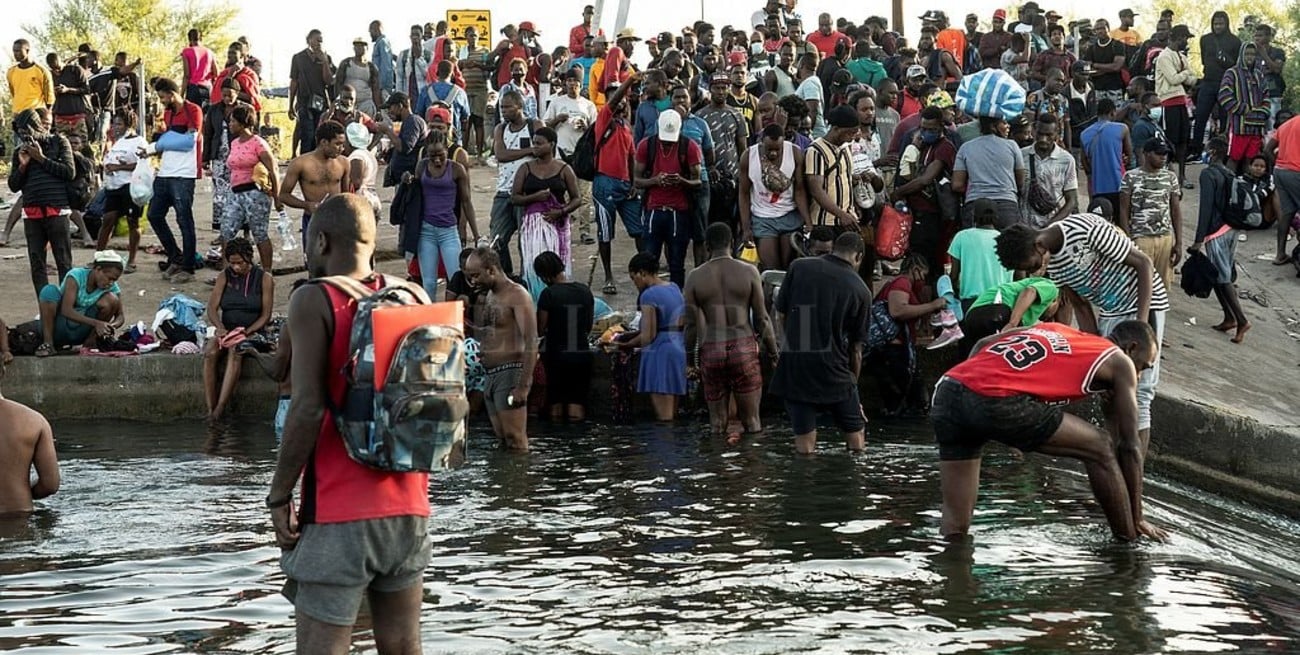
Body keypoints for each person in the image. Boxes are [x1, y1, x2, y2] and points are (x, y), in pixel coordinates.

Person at [268, 194, 432, 651]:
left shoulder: (314, 299)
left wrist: (279, 495)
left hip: (339, 511)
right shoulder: (414, 294)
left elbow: (306, 408)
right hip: (409, 509)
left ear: (320, 240)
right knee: (403, 645)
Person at [932, 320, 1168, 542]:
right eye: (1143, 367)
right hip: (995, 400)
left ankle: (952, 574)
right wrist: (1137, 517)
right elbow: (1129, 446)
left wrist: (975, 402)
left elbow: (983, 344)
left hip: (949, 391)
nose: (1138, 376)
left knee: (955, 524)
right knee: (1100, 445)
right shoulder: (1120, 361)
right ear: (1132, 348)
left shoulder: (1057, 329)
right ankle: (1128, 551)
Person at [996, 214, 1170, 449]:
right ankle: (1116, 460)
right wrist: (1094, 350)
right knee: (1107, 389)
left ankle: (1134, 469)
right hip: (1111, 311)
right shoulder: (1055, 265)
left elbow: (1144, 264)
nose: (1036, 271)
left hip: (1144, 304)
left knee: (1140, 392)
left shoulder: (1084, 229)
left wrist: (1142, 324)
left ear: (1038, 246)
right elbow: (1081, 306)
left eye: (1033, 265)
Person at [770, 231, 870, 453]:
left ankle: (805, 483)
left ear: (834, 248)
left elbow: (781, 314)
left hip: (796, 368)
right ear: (859, 257)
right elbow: (856, 350)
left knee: (804, 443)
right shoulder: (861, 290)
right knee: (856, 437)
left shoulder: (799, 267)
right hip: (835, 372)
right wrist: (852, 384)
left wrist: (788, 346)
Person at [683, 223, 778, 439]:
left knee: (717, 424)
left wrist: (689, 361)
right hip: (743, 347)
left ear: (707, 247)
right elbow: (762, 319)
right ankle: (752, 470)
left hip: (712, 350)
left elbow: (690, 326)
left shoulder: (695, 278)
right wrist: (773, 353)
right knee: (752, 421)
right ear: (732, 244)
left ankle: (718, 470)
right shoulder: (749, 272)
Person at [463, 247, 537, 451]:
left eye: (476, 276)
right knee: (503, 440)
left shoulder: (517, 295)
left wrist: (523, 386)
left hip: (510, 373)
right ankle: (508, 481)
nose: (473, 282)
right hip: (491, 375)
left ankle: (522, 480)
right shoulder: (490, 295)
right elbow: (496, 330)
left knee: (516, 439)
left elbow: (531, 341)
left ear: (492, 270)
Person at [1189, 137, 1252, 343]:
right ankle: (1229, 316)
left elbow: (1205, 208)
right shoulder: (1229, 172)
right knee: (1217, 273)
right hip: (1231, 228)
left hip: (1216, 231)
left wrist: (1199, 239)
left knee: (1222, 277)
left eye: (1207, 149)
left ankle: (1241, 320)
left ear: (1214, 152)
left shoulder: (1208, 174)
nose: (1205, 152)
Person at [203, 238, 274, 420]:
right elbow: (212, 308)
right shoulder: (224, 276)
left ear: (249, 259)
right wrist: (219, 328)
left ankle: (220, 408)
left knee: (236, 351)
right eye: (232, 263)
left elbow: (266, 316)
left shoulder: (264, 279)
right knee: (210, 353)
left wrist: (246, 332)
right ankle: (210, 408)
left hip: (252, 331)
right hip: (226, 330)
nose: (236, 268)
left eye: (240, 263)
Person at [140, 78, 203, 283]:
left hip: (183, 175)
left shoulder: (193, 110)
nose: (161, 101)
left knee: (184, 220)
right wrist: (151, 149)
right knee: (154, 215)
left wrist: (161, 144)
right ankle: (175, 256)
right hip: (165, 173)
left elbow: (189, 141)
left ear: (171, 93)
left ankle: (188, 266)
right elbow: (167, 142)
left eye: (162, 96)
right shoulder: (167, 114)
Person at [8, 107, 75, 297]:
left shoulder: (59, 142)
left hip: (57, 211)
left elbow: (69, 172)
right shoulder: (19, 152)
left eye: (26, 130)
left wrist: (41, 159)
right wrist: (23, 166)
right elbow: (13, 186)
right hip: (32, 213)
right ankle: (46, 306)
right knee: (37, 264)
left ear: (36, 126)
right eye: (20, 132)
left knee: (63, 262)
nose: (24, 135)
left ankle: (66, 308)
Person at [511, 127, 583, 302]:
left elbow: (577, 198)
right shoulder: (525, 168)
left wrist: (561, 211)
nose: (534, 147)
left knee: (556, 265)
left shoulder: (564, 168)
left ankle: (558, 301)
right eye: (533, 143)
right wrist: (535, 197)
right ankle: (537, 302)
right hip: (532, 225)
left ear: (551, 145)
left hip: (556, 224)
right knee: (534, 265)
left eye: (539, 143)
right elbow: (514, 198)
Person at [635, 110, 703, 289]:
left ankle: (676, 303)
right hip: (654, 209)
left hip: (678, 211)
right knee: (649, 261)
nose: (666, 143)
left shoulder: (689, 147)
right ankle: (647, 302)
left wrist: (682, 181)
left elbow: (698, 181)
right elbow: (636, 180)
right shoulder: (646, 146)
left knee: (677, 263)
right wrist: (655, 180)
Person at [616, 253, 687, 421]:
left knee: (664, 420)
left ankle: (661, 447)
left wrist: (626, 345)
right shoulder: (674, 287)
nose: (635, 284)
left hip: (660, 354)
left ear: (642, 273)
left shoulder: (648, 295)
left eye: (634, 279)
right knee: (674, 417)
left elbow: (648, 335)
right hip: (678, 349)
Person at [890, 106, 956, 281]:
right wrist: (914, 147)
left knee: (928, 262)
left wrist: (899, 192)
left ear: (942, 127)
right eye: (923, 128)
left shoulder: (944, 148)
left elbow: (925, 179)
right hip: (917, 210)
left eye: (931, 129)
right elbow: (908, 174)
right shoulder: (924, 147)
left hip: (931, 214)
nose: (926, 133)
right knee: (916, 257)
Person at [592, 80, 641, 295]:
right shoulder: (604, 118)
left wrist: (633, 182)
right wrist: (628, 81)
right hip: (605, 183)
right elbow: (614, 100)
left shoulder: (626, 125)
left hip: (624, 184)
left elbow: (631, 156)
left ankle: (643, 271)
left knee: (638, 230)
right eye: (616, 97)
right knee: (605, 234)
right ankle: (608, 276)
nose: (620, 101)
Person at [534, 251, 595, 421]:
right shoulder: (584, 291)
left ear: (544, 276)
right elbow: (588, 326)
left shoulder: (548, 294)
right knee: (577, 402)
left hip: (555, 356)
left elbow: (540, 328)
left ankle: (559, 442)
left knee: (555, 403)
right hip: (581, 353)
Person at [739, 124, 809, 271]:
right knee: (771, 269)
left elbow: (800, 190)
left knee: (788, 267)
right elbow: (744, 194)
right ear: (761, 142)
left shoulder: (795, 153)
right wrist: (746, 228)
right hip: (762, 218)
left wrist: (807, 221)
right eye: (769, 149)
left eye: (777, 149)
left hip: (789, 215)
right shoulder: (748, 156)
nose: (773, 153)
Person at [490, 91, 545, 276]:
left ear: (520, 107)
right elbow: (501, 155)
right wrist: (529, 150)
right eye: (502, 107)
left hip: (527, 193)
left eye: (507, 107)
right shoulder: (501, 129)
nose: (503, 111)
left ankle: (526, 280)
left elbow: (544, 150)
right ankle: (507, 278)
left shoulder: (534, 125)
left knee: (526, 242)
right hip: (504, 191)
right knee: (496, 240)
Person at [1119, 139, 1183, 292]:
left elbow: (1175, 210)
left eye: (1165, 155)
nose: (1163, 158)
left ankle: (1156, 316)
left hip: (1165, 238)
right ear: (1146, 154)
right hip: (1140, 239)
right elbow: (1123, 211)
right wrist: (1128, 241)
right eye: (1159, 154)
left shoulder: (1170, 178)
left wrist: (1179, 242)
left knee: (1160, 289)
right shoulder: (1130, 177)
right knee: (1139, 287)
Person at [222, 104, 280, 271]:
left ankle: (266, 272)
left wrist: (276, 196)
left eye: (233, 121)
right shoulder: (234, 143)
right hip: (235, 193)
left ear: (242, 123)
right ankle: (227, 273)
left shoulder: (258, 143)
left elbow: (273, 168)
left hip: (255, 194)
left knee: (259, 233)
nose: (230, 124)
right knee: (226, 231)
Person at [36, 250, 124, 357]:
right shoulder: (76, 276)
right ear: (98, 269)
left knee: (112, 299)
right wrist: (96, 323)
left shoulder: (112, 287)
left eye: (114, 280)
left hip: (83, 331)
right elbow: (66, 310)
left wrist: (110, 326)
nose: (111, 283)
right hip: (60, 326)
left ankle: (90, 343)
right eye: (109, 278)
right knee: (49, 291)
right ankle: (48, 343)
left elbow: (120, 316)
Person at [0, 361, 59, 514]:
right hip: (18, 517)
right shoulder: (34, 420)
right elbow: (50, 485)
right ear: (3, 371)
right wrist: (19, 491)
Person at [278, 120, 349, 249]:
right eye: (337, 144)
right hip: (314, 220)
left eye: (343, 144)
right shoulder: (300, 164)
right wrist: (307, 205)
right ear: (323, 142)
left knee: (339, 264)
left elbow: (347, 194)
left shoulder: (343, 163)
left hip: (337, 220)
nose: (341, 148)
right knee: (315, 263)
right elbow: (283, 195)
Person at [94, 109, 147, 271]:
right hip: (113, 187)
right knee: (108, 220)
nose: (115, 127)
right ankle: (99, 257)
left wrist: (119, 167)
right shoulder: (116, 142)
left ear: (129, 125)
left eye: (119, 124)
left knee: (133, 222)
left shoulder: (139, 142)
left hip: (130, 187)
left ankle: (131, 260)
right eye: (114, 123)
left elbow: (142, 164)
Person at [958, 276, 1061, 358]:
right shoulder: (1052, 287)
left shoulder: (1020, 289)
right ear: (1057, 301)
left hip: (973, 317)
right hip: (996, 310)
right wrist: (1012, 323)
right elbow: (1029, 291)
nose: (1048, 317)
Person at [953, 115, 1026, 229]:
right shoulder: (1012, 146)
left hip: (975, 205)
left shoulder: (966, 148)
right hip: (1006, 207)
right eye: (1004, 123)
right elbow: (1021, 182)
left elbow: (957, 185)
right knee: (1008, 245)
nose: (1008, 126)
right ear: (993, 126)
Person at [948, 199, 1013, 309]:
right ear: (997, 217)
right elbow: (1018, 277)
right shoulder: (1007, 241)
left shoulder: (961, 237)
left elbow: (954, 275)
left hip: (971, 303)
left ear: (973, 215)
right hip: (1001, 301)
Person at [1153, 25, 1197, 186]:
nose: (1186, 41)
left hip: (1181, 101)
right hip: (1168, 101)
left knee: (1183, 140)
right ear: (1177, 38)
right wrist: (1185, 74)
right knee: (1170, 140)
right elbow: (1174, 79)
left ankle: (1181, 176)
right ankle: (1167, 174)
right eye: (1184, 38)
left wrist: (1185, 75)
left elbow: (1192, 79)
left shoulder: (1181, 56)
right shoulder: (1164, 56)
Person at [203, 78, 248, 234]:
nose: (227, 98)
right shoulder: (213, 110)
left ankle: (244, 232)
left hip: (240, 157)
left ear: (237, 93)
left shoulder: (245, 109)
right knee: (220, 196)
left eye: (230, 95)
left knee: (240, 192)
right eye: (224, 95)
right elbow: (208, 134)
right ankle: (223, 232)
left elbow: (252, 134)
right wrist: (205, 159)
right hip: (219, 159)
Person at [804, 105, 858, 234]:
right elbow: (816, 190)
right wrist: (841, 214)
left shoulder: (845, 148)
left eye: (855, 132)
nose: (852, 137)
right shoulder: (816, 151)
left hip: (847, 219)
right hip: (825, 222)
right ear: (836, 129)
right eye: (850, 133)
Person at [1194, 12, 1241, 159]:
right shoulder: (1206, 39)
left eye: (1221, 24)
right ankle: (1196, 149)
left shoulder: (1235, 41)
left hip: (1225, 84)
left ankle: (1222, 150)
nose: (1218, 27)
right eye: (1215, 24)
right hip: (1208, 82)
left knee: (1224, 119)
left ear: (1226, 24)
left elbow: (1236, 64)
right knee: (1201, 116)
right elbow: (1203, 60)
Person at [1218, 43, 1269, 174]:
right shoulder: (1232, 73)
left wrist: (1263, 111)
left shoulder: (1259, 75)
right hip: (1239, 125)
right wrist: (1244, 109)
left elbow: (1266, 96)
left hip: (1257, 126)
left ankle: (1248, 190)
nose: (1250, 57)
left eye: (1252, 54)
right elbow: (1224, 96)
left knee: (1250, 160)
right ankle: (1229, 188)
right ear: (1241, 55)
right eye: (1247, 54)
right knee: (1234, 159)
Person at [1022, 113, 1079, 227]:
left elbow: (1072, 200)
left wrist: (1050, 225)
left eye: (1049, 135)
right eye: (1040, 134)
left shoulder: (1067, 160)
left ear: (1057, 134)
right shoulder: (1021, 155)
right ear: (1034, 131)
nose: (1043, 139)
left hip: (1054, 228)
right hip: (1025, 225)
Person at [1080, 99, 1132, 212]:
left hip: (1097, 188)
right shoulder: (1122, 128)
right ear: (1113, 112)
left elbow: (1084, 162)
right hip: (1118, 184)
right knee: (1121, 221)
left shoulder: (1084, 134)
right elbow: (1129, 155)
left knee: (1100, 223)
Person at [288, 30, 335, 154]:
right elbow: (294, 82)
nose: (319, 43)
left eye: (321, 41)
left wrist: (324, 62)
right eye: (317, 40)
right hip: (304, 101)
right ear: (309, 40)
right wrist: (290, 105)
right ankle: (304, 165)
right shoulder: (298, 58)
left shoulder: (326, 58)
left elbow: (329, 81)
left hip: (320, 103)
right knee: (307, 135)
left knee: (318, 135)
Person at [1267, 115, 1300, 265]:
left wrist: (1278, 164)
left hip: (1280, 171)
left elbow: (1268, 149)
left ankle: (1280, 254)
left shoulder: (1287, 124)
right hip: (1296, 171)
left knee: (1287, 213)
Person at [377, 92, 425, 189]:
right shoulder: (408, 122)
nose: (389, 112)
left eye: (390, 108)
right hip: (403, 180)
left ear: (400, 106)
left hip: (409, 181)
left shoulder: (413, 121)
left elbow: (405, 147)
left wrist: (387, 130)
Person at [7, 39, 54, 119]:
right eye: (14, 51)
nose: (15, 54)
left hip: (35, 114)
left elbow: (49, 97)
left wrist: (46, 115)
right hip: (18, 114)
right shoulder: (11, 72)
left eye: (18, 51)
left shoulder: (41, 71)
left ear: (27, 51)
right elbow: (14, 93)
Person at [335, 37, 381, 118]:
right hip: (347, 102)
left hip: (366, 103)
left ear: (367, 48)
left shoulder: (371, 67)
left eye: (361, 46)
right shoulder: (346, 63)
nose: (359, 48)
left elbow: (376, 89)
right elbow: (338, 83)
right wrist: (338, 101)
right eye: (356, 46)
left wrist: (378, 109)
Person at [1252, 25, 1287, 130]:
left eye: (1260, 35)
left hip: (1273, 92)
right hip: (1256, 93)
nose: (1257, 38)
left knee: (1272, 121)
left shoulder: (1278, 52)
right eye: (1255, 36)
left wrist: (1264, 54)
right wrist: (1268, 69)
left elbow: (1276, 69)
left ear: (1268, 37)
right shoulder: (1251, 53)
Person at [344, 122, 381, 220]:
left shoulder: (357, 156)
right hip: (372, 198)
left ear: (350, 141)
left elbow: (356, 183)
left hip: (362, 202)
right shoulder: (367, 154)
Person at [180, 29, 218, 107]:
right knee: (205, 114)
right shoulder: (209, 52)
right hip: (207, 88)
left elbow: (187, 75)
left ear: (189, 39)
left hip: (193, 88)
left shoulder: (186, 51)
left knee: (193, 115)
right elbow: (216, 73)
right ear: (201, 38)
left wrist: (181, 94)